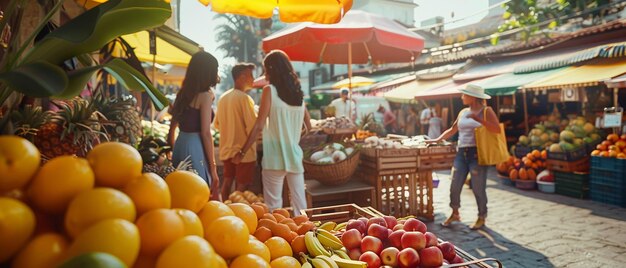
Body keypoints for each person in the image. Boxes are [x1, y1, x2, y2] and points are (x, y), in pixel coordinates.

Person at [232, 50, 312, 215]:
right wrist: (293, 138)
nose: (264, 72)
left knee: (274, 207)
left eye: (265, 68)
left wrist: (242, 151)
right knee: (300, 206)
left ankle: (280, 240)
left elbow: (258, 126)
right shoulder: (299, 95)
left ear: (271, 69)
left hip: (274, 157)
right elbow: (308, 127)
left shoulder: (269, 91)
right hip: (294, 156)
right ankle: (306, 236)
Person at [428, 84, 500, 230]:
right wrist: (437, 140)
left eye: (464, 95)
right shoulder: (463, 112)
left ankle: (481, 216)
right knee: (454, 185)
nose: (462, 97)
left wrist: (479, 120)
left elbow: (496, 129)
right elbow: (452, 129)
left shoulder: (486, 111)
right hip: (461, 153)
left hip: (477, 154)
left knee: (478, 188)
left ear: (473, 97)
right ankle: (455, 213)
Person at [167, 51, 221, 200]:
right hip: (195, 146)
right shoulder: (205, 96)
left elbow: (171, 128)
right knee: (198, 192)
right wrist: (213, 168)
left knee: (181, 192)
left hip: (181, 143)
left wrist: (173, 148)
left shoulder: (183, 93)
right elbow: (205, 133)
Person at [215, 63, 258, 199]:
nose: (253, 79)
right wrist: (242, 152)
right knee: (241, 189)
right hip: (243, 152)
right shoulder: (245, 99)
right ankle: (236, 213)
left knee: (227, 181)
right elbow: (254, 128)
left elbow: (216, 125)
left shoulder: (223, 98)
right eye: (250, 75)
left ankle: (223, 209)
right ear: (242, 76)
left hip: (226, 149)